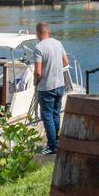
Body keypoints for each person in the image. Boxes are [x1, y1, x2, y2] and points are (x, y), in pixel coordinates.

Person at [33, 21, 70, 154]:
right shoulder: (58, 43)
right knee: (56, 113)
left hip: (46, 87)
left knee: (47, 116)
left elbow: (38, 71)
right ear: (48, 32)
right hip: (60, 85)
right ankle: (58, 141)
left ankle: (52, 146)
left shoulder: (38, 48)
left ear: (38, 33)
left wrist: (34, 82)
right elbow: (66, 62)